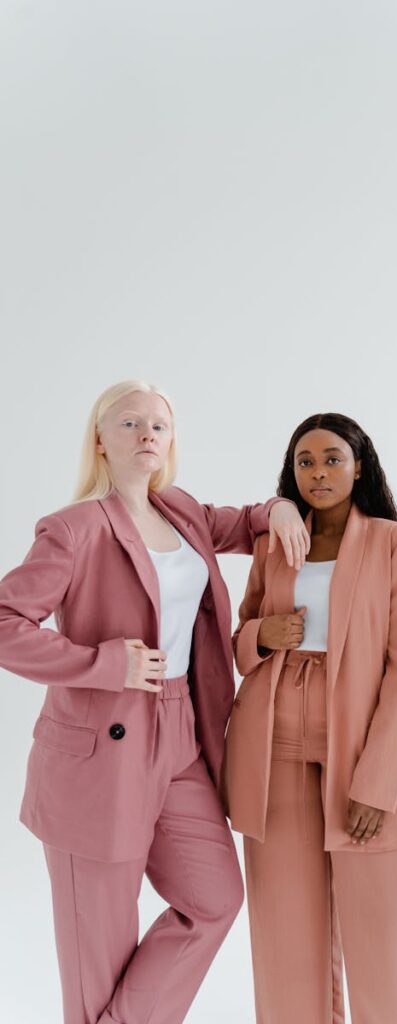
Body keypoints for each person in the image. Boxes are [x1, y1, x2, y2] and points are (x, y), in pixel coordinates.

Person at [0, 379, 309, 1024]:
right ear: (100, 440)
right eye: (130, 423)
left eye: (159, 426)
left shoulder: (182, 512)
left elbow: (246, 522)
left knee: (214, 899)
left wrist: (280, 506)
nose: (147, 434)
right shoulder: (74, 528)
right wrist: (104, 665)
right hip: (99, 748)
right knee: (100, 950)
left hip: (181, 733)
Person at [222, 412, 397, 1024]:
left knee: (386, 929)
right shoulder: (273, 546)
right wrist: (262, 635)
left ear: (359, 466)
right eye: (306, 461)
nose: (318, 472)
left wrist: (378, 782)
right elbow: (239, 642)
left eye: (332, 459)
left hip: (362, 745)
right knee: (285, 934)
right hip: (273, 743)